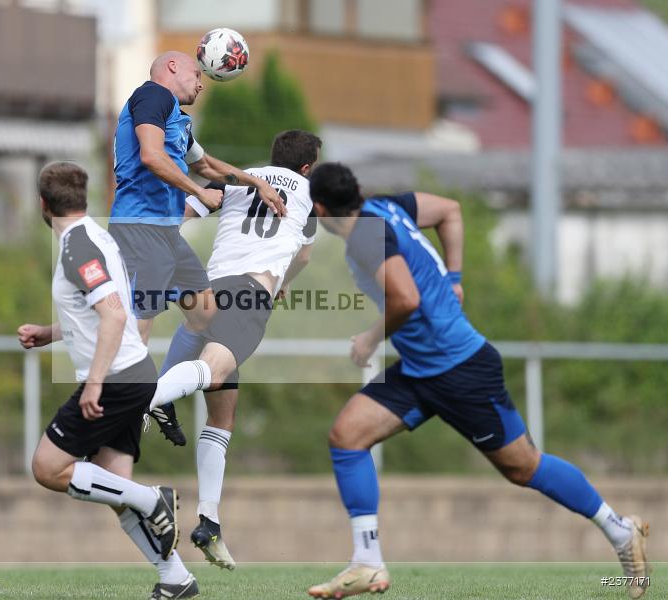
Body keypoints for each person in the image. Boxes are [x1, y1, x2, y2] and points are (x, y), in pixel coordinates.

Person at [304, 162, 650, 599]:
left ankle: (620, 531)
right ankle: (367, 562)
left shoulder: (366, 240)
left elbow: (406, 298)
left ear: (319, 207)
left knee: (524, 467)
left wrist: (370, 340)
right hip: (419, 368)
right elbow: (450, 210)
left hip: (460, 369)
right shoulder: (388, 207)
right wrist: (455, 279)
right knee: (347, 436)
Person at [18, 162, 199, 600]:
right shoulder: (98, 236)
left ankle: (152, 499)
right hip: (133, 375)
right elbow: (101, 307)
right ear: (84, 199)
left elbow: (115, 314)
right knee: (111, 486)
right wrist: (51, 331)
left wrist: (95, 383)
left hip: (116, 380)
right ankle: (175, 577)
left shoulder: (77, 247)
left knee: (47, 467)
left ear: (42, 204)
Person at [148, 130, 322, 570]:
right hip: (251, 293)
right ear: (306, 168)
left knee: (222, 416)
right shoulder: (308, 194)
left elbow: (190, 207)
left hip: (214, 284)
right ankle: (142, 399)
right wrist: (282, 285)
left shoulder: (238, 180)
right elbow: (302, 258)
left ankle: (209, 520)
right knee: (213, 370)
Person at [110, 50, 286, 447]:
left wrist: (254, 182)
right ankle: (118, 416)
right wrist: (197, 194)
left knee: (205, 313)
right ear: (172, 67)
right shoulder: (153, 96)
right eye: (195, 71)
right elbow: (151, 157)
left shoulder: (176, 119)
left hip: (166, 235)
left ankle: (159, 397)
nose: (202, 80)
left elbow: (205, 165)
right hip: (140, 228)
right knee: (139, 325)